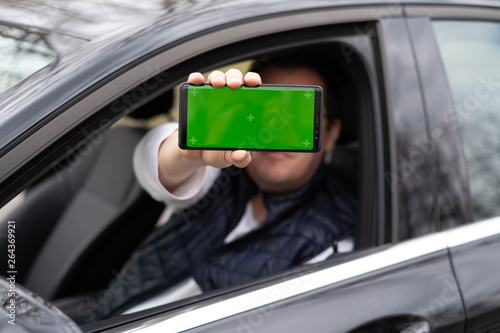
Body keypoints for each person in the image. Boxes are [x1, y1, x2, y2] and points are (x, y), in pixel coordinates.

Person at [78, 52, 356, 323]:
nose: (276, 128)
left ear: (330, 134)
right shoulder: (219, 170)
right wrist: (186, 150)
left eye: (297, 115)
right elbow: (154, 164)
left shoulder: (333, 241)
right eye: (263, 110)